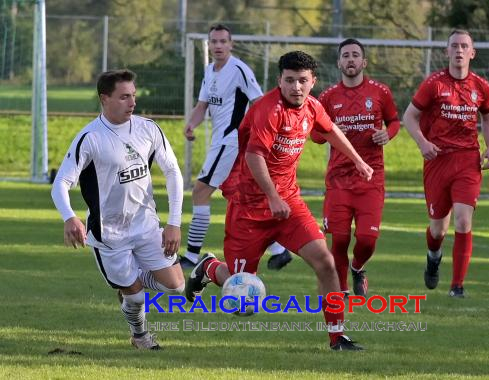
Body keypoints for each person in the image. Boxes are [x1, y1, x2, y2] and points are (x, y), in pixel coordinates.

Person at [186, 51, 373, 350]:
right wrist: (271, 196)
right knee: (239, 290)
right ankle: (208, 267)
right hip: (249, 209)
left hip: (289, 205)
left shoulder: (312, 107)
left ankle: (338, 336)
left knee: (325, 262)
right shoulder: (267, 110)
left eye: (302, 81)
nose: (295, 87)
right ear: (279, 81)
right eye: (289, 81)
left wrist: (358, 160)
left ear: (313, 81)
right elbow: (253, 154)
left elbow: (331, 131)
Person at [51, 69, 185, 350]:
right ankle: (140, 336)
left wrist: (173, 222)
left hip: (146, 226)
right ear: (105, 99)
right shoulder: (90, 138)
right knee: (135, 298)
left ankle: (133, 281)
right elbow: (60, 183)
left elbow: (173, 172)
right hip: (110, 234)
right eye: (124, 97)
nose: (132, 102)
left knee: (176, 287)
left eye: (133, 95)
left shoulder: (148, 128)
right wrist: (69, 217)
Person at [182, 24, 291, 270]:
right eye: (214, 42)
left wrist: (263, 135)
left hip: (231, 142)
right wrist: (191, 125)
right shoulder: (209, 71)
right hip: (221, 142)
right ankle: (279, 250)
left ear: (231, 44)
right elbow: (202, 106)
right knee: (242, 198)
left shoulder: (240, 70)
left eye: (223, 41)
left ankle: (190, 256)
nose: (218, 46)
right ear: (209, 45)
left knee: (200, 192)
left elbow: (261, 103)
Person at [402, 29, 489, 298]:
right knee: (438, 227)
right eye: (454, 46)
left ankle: (457, 287)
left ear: (472, 52)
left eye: (464, 46)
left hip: (468, 160)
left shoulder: (481, 86)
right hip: (438, 161)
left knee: (464, 221)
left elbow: (488, 118)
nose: (459, 50)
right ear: (446, 51)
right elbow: (410, 117)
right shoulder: (433, 84)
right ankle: (433, 256)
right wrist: (423, 143)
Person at [311, 38, 400, 298]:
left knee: (367, 240)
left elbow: (394, 122)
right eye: (345, 56)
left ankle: (358, 266)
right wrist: (333, 132)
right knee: (338, 239)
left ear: (364, 62)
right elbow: (316, 135)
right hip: (338, 179)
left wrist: (388, 134)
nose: (350, 59)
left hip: (371, 176)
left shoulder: (380, 92)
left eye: (355, 55)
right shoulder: (327, 97)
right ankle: (343, 290)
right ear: (339, 62)